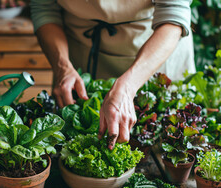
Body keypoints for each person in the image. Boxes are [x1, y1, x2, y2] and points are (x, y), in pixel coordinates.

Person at [30, 0, 195, 149]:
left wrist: (128, 86)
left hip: (152, 52)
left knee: (161, 148)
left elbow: (174, 13)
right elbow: (44, 8)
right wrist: (62, 66)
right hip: (78, 53)